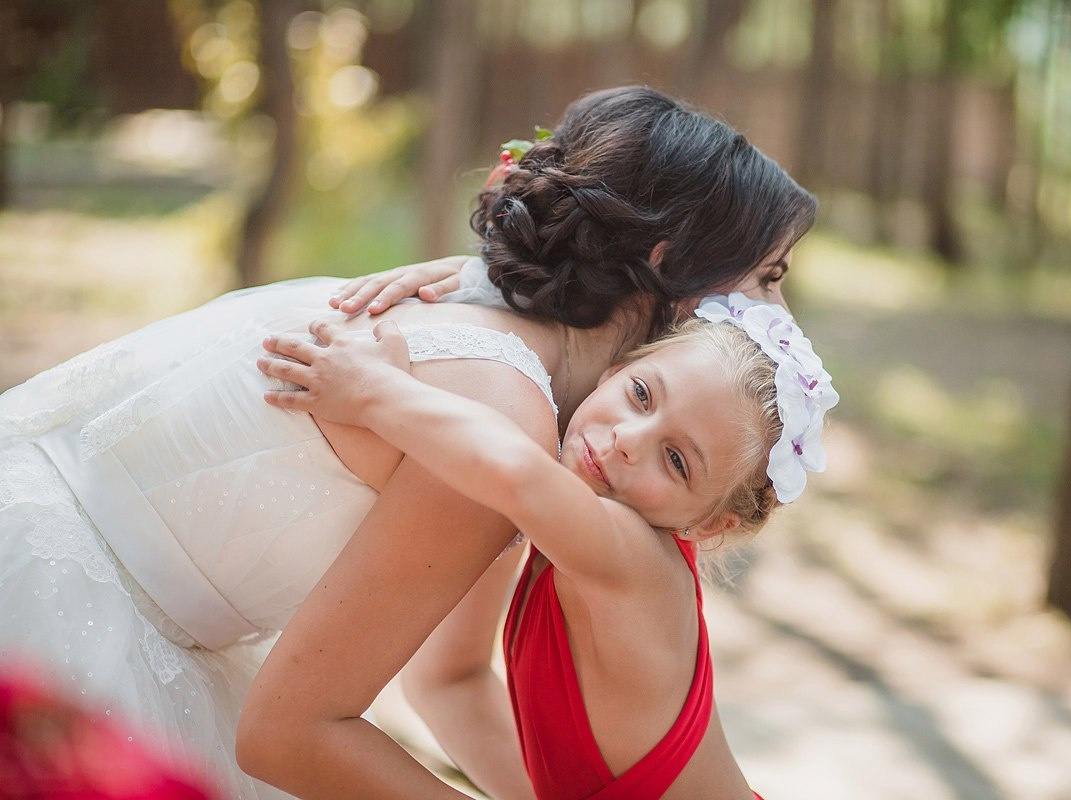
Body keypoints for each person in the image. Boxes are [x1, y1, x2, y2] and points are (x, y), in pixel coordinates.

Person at [0, 85, 814, 799]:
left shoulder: (489, 323)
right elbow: (293, 736)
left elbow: (450, 681)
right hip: (61, 625)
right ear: (669, 264)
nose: (775, 320)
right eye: (768, 278)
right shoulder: (499, 410)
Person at [254, 294, 837, 799]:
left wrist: (376, 392)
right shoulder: (561, 530)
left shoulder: (637, 563)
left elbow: (516, 472)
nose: (630, 441)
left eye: (677, 460)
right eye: (640, 394)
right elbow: (447, 682)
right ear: (614, 369)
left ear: (709, 526)